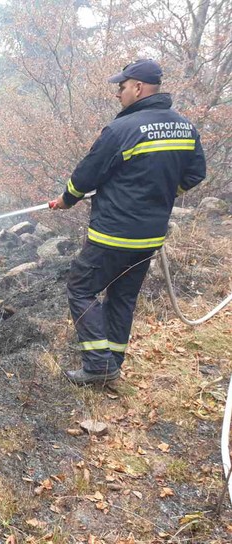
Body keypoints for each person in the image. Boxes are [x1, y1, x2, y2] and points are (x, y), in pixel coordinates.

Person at [50, 59, 206, 385]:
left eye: (121, 87)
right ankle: (112, 364)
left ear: (137, 87)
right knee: (122, 297)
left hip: (113, 234)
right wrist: (162, 194)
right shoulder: (185, 127)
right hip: (149, 236)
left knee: (81, 290)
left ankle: (98, 365)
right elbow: (195, 173)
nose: (118, 94)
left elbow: (87, 174)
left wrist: (66, 200)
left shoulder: (121, 129)